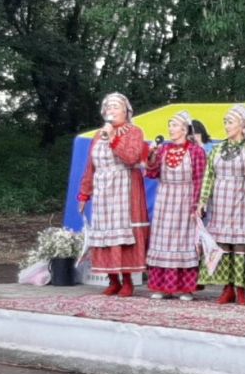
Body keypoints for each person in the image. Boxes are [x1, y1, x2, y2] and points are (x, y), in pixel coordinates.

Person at [78, 92, 149, 297]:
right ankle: (112, 280)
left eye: (116, 107)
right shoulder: (98, 135)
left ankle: (128, 280)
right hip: (103, 190)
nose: (111, 111)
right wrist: (84, 194)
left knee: (124, 234)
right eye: (108, 108)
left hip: (124, 187)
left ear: (126, 111)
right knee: (104, 233)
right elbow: (91, 165)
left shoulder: (134, 131)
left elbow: (131, 157)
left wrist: (113, 139)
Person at [197, 105, 245, 305]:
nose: (226, 126)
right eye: (225, 122)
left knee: (239, 244)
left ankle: (241, 288)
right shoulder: (217, 148)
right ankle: (227, 288)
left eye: (230, 122)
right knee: (223, 244)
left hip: (242, 198)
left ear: (242, 125)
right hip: (221, 200)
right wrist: (203, 200)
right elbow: (209, 176)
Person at [145, 111, 207, 300]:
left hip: (185, 199)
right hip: (165, 199)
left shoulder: (196, 151)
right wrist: (152, 157)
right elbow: (152, 174)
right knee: (162, 240)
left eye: (174, 125)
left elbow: (200, 179)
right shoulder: (163, 149)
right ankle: (161, 286)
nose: (170, 129)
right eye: (170, 125)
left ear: (184, 128)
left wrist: (197, 204)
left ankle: (185, 288)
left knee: (184, 241)